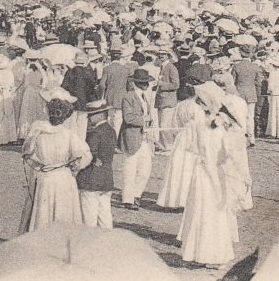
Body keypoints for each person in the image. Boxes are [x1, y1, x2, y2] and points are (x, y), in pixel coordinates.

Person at [177, 90, 243, 268]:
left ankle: (198, 253)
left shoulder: (203, 127)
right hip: (209, 175)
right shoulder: (217, 133)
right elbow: (212, 160)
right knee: (214, 214)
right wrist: (218, 185)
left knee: (201, 212)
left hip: (201, 175)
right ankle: (213, 256)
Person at [18, 95, 93, 234]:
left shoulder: (38, 134)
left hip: (45, 177)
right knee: (64, 214)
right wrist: (76, 166)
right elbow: (86, 155)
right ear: (65, 117)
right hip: (64, 178)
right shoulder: (69, 135)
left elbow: (27, 154)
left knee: (43, 214)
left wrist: (39, 166)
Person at [157, 84, 201, 209]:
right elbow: (200, 125)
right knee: (189, 167)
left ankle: (173, 200)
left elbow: (174, 124)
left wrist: (178, 135)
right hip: (193, 137)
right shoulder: (197, 108)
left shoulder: (180, 105)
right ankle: (185, 200)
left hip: (181, 137)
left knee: (177, 167)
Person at [118, 68, 156, 211]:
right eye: (143, 82)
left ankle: (136, 194)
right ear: (136, 83)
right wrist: (144, 119)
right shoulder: (128, 97)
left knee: (145, 170)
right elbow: (128, 118)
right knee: (130, 170)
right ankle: (128, 199)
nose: (146, 84)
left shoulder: (145, 97)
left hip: (144, 137)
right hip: (131, 137)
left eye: (146, 82)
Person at [77, 100, 117, 228]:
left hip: (91, 180)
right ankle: (108, 239)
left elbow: (89, 155)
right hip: (106, 178)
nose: (89, 118)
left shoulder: (95, 133)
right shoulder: (111, 131)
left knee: (89, 218)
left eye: (91, 115)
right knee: (105, 216)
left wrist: (76, 168)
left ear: (100, 115)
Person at [231, 46, 264, 146]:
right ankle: (251, 138)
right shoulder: (255, 67)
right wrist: (257, 93)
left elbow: (232, 82)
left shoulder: (236, 66)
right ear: (249, 54)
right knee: (250, 117)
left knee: (240, 116)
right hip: (251, 93)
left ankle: (242, 138)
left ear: (241, 54)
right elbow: (259, 82)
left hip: (239, 93)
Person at [155, 48, 181, 153]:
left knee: (165, 125)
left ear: (168, 55)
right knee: (161, 124)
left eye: (163, 54)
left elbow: (176, 84)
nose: (161, 55)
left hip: (168, 101)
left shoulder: (171, 67)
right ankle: (163, 146)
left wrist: (162, 85)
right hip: (162, 100)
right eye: (159, 54)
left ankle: (168, 147)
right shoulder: (162, 67)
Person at [99, 48, 130, 135]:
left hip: (110, 98)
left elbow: (102, 85)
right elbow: (129, 85)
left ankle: (110, 139)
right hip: (122, 98)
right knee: (118, 121)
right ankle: (116, 138)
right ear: (120, 57)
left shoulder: (107, 69)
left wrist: (102, 95)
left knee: (109, 120)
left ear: (111, 57)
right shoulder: (125, 69)